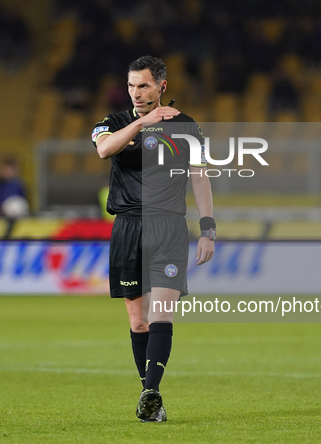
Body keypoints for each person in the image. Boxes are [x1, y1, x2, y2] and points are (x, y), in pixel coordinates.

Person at [91, 55, 215, 422]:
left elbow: (200, 177)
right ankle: (150, 394)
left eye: (143, 85)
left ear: (161, 86)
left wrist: (207, 228)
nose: (136, 92)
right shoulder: (111, 123)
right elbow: (104, 149)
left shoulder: (188, 127)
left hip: (169, 227)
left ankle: (152, 392)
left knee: (162, 312)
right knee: (138, 320)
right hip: (128, 227)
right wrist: (143, 122)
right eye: (131, 85)